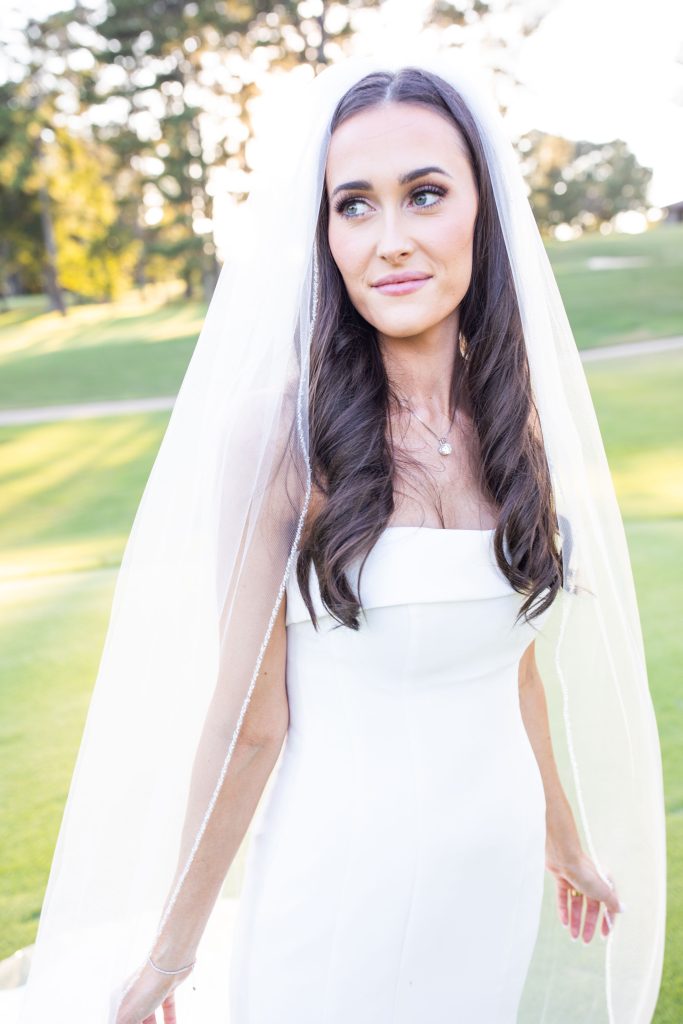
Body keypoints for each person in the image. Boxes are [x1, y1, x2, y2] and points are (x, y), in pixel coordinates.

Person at [18, 52, 666, 1024]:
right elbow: (246, 724)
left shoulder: (510, 425)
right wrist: (169, 953)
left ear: (482, 211)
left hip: (488, 880)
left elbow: (513, 668)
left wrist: (561, 837)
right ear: (324, 233)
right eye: (354, 205)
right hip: (343, 888)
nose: (389, 240)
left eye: (424, 195)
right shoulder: (279, 439)